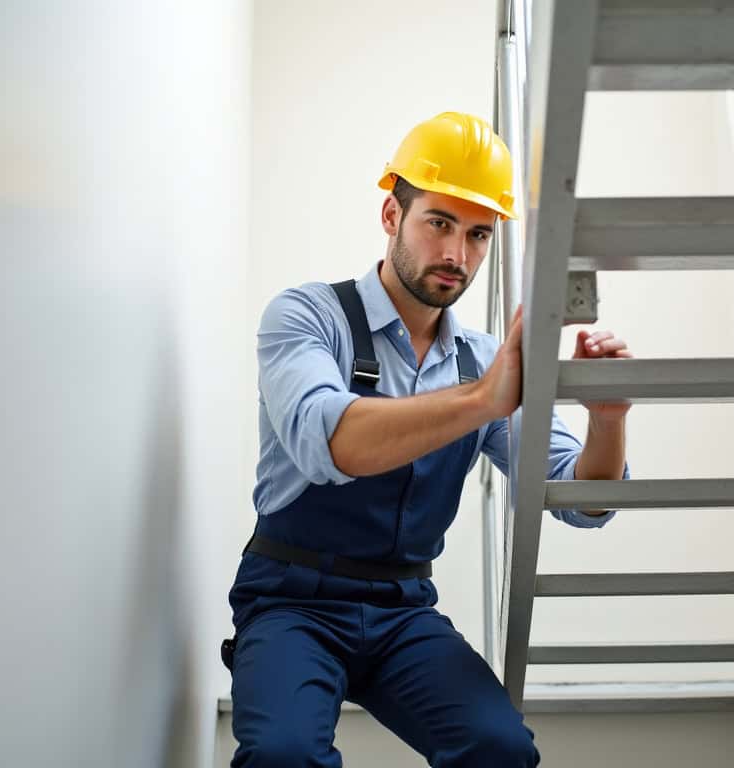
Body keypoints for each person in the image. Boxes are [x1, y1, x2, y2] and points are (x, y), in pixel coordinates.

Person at [224, 111, 633, 767]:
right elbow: (330, 444)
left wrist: (606, 419)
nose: (457, 255)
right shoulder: (308, 316)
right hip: (291, 602)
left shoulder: (483, 360)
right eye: (439, 223)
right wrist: (483, 399)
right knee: (283, 756)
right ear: (392, 214)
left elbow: (581, 501)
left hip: (403, 610)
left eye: (478, 234)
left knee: (500, 749)